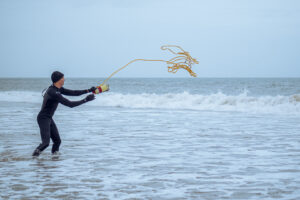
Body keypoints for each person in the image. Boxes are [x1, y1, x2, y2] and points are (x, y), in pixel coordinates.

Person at [32, 71, 109, 157]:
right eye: (63, 78)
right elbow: (70, 104)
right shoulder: (53, 92)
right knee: (45, 143)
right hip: (43, 118)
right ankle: (33, 158)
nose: (64, 79)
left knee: (57, 141)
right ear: (58, 80)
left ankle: (54, 158)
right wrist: (85, 100)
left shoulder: (57, 89)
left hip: (48, 118)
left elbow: (74, 92)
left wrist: (88, 90)